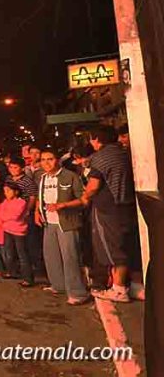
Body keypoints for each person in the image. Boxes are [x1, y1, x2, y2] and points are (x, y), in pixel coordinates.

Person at [83, 125, 137, 303]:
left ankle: (119, 289)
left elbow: (93, 186)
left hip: (108, 208)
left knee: (112, 247)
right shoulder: (123, 153)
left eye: (91, 138)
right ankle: (132, 284)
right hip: (127, 204)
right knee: (126, 244)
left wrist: (84, 196)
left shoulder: (100, 157)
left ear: (97, 139)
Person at [36, 149, 89, 305]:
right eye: (43, 159)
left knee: (70, 257)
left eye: (50, 159)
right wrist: (37, 212)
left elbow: (84, 200)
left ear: (57, 160)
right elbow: (40, 197)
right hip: (49, 222)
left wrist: (63, 205)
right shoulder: (42, 177)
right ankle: (58, 285)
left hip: (67, 222)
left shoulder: (70, 176)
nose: (46, 163)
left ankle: (78, 293)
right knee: (51, 256)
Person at [7, 157, 42, 277]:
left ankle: (30, 270)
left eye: (15, 167)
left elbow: (33, 197)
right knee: (11, 245)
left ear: (22, 168)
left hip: (23, 214)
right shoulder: (8, 179)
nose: (13, 170)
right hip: (11, 214)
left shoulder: (27, 181)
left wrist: (27, 210)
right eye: (11, 167)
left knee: (25, 244)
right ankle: (13, 270)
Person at [0, 182, 33, 287]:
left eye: (8, 191)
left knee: (22, 254)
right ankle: (12, 272)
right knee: (9, 253)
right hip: (7, 230)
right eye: (5, 191)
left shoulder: (21, 202)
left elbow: (15, 216)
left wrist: (6, 216)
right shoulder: (5, 201)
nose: (6, 193)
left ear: (16, 192)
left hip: (19, 231)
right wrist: (7, 216)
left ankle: (28, 278)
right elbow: (1, 214)